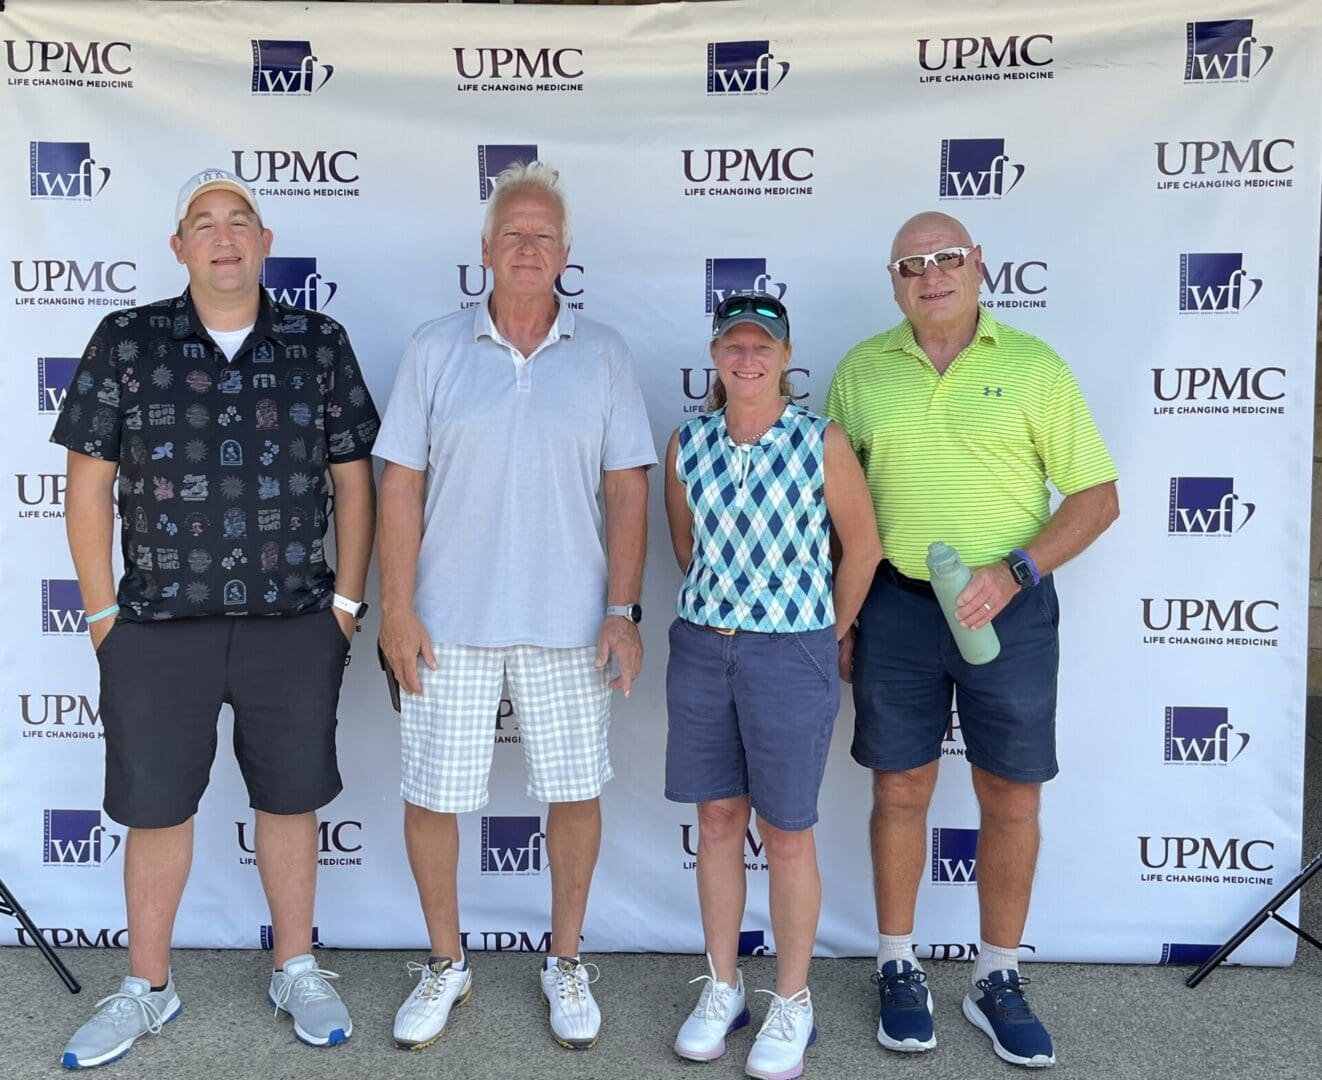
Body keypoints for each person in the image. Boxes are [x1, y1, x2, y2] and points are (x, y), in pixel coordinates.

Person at [52, 168, 379, 1068]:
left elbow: (355, 479)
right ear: (181, 247)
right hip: (155, 627)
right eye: (205, 222)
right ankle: (147, 987)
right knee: (155, 810)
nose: (225, 235)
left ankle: (297, 966)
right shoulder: (127, 339)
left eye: (242, 220)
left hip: (294, 621)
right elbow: (87, 487)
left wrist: (346, 604)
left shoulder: (318, 341)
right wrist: (103, 615)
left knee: (291, 799)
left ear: (265, 243)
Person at [825, 211, 1119, 1069]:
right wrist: (843, 619)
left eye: (947, 258)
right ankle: (896, 964)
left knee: (1012, 796)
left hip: (1011, 608)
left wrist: (1018, 570)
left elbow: (1097, 497)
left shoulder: (1034, 367)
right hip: (899, 608)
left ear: (980, 266)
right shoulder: (860, 373)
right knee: (901, 790)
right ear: (894, 282)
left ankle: (997, 976)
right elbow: (839, 511)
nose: (932, 275)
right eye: (911, 265)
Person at [373, 161, 655, 1053]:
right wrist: (396, 610)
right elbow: (400, 489)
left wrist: (622, 609)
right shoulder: (432, 349)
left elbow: (627, 495)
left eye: (543, 234)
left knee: (574, 794)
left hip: (571, 623)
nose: (527, 246)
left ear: (566, 252)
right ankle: (447, 963)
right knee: (432, 796)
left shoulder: (604, 354)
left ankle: (564, 959)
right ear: (486, 250)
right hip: (446, 621)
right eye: (512, 233)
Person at [663, 293, 882, 1080]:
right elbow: (687, 549)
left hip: (791, 651)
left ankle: (793, 998)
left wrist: (826, 631)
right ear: (716, 355)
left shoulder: (818, 440)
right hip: (702, 649)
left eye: (764, 346)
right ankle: (724, 987)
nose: (748, 358)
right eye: (734, 345)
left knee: (786, 830)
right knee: (719, 820)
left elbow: (862, 548)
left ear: (786, 357)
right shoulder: (687, 443)